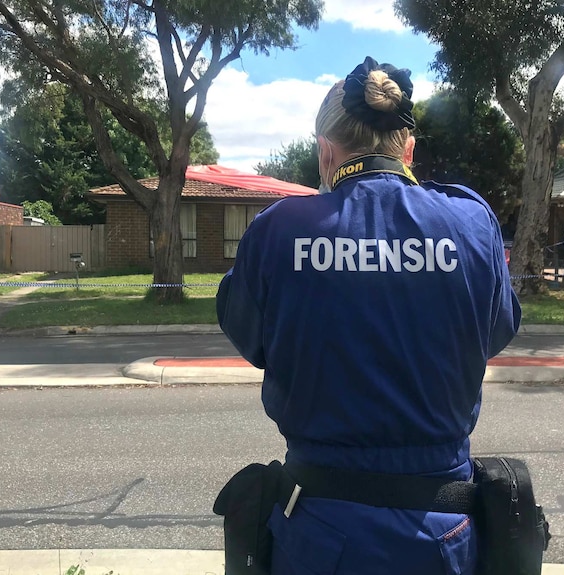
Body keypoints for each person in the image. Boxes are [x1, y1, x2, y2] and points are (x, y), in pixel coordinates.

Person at [216, 56, 521, 575]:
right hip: (443, 529)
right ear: (408, 149)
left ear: (326, 150)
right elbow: (494, 332)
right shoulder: (471, 221)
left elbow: (249, 336)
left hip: (317, 530)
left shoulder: (278, 230)